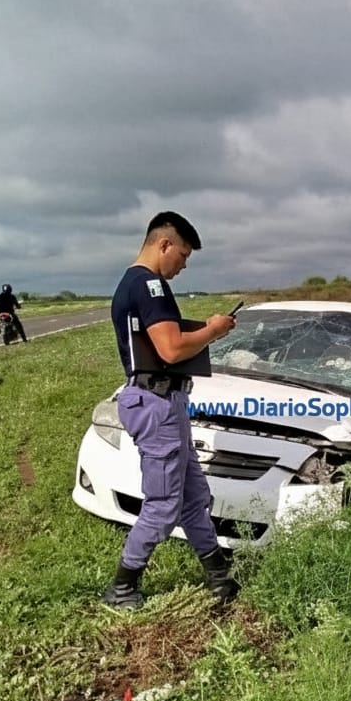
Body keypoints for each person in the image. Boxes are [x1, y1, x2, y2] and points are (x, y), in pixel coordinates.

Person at [104, 211, 238, 609]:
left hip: (164, 400)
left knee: (194, 496)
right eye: (182, 255)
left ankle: (218, 575)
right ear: (163, 244)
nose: (183, 265)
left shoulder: (137, 284)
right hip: (156, 403)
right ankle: (122, 586)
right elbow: (171, 348)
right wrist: (213, 330)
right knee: (163, 505)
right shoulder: (149, 285)